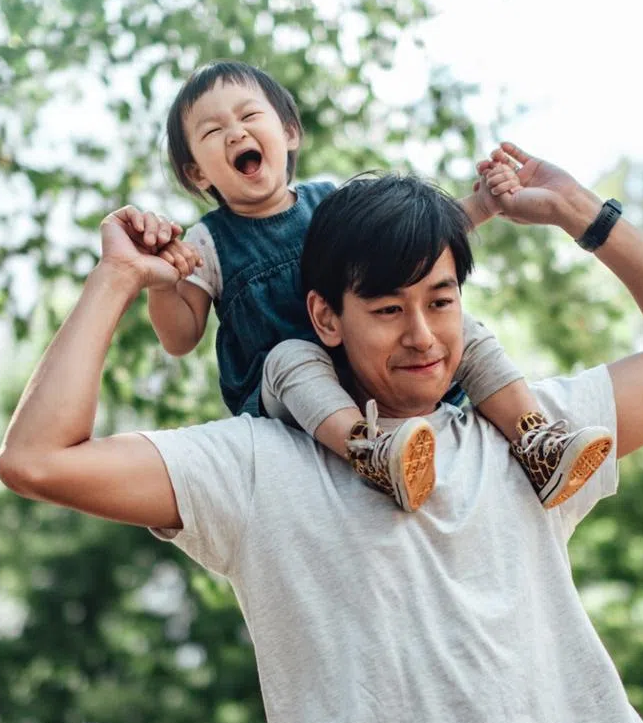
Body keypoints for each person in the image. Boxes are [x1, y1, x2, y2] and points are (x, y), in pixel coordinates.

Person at [0, 142, 643, 723]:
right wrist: (116, 278)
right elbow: (37, 458)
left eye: (442, 300)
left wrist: (580, 213)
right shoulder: (255, 468)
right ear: (327, 317)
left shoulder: (521, 436)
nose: (423, 336)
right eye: (389, 310)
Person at [145, 59, 612, 511]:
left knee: (462, 329)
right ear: (198, 172)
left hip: (369, 357)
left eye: (249, 115)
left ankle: (536, 440)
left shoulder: (331, 201)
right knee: (292, 355)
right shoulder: (209, 241)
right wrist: (162, 285)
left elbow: (410, 248)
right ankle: (372, 453)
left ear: (288, 133)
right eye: (212, 131)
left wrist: (483, 205)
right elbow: (180, 338)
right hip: (290, 388)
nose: (236, 133)